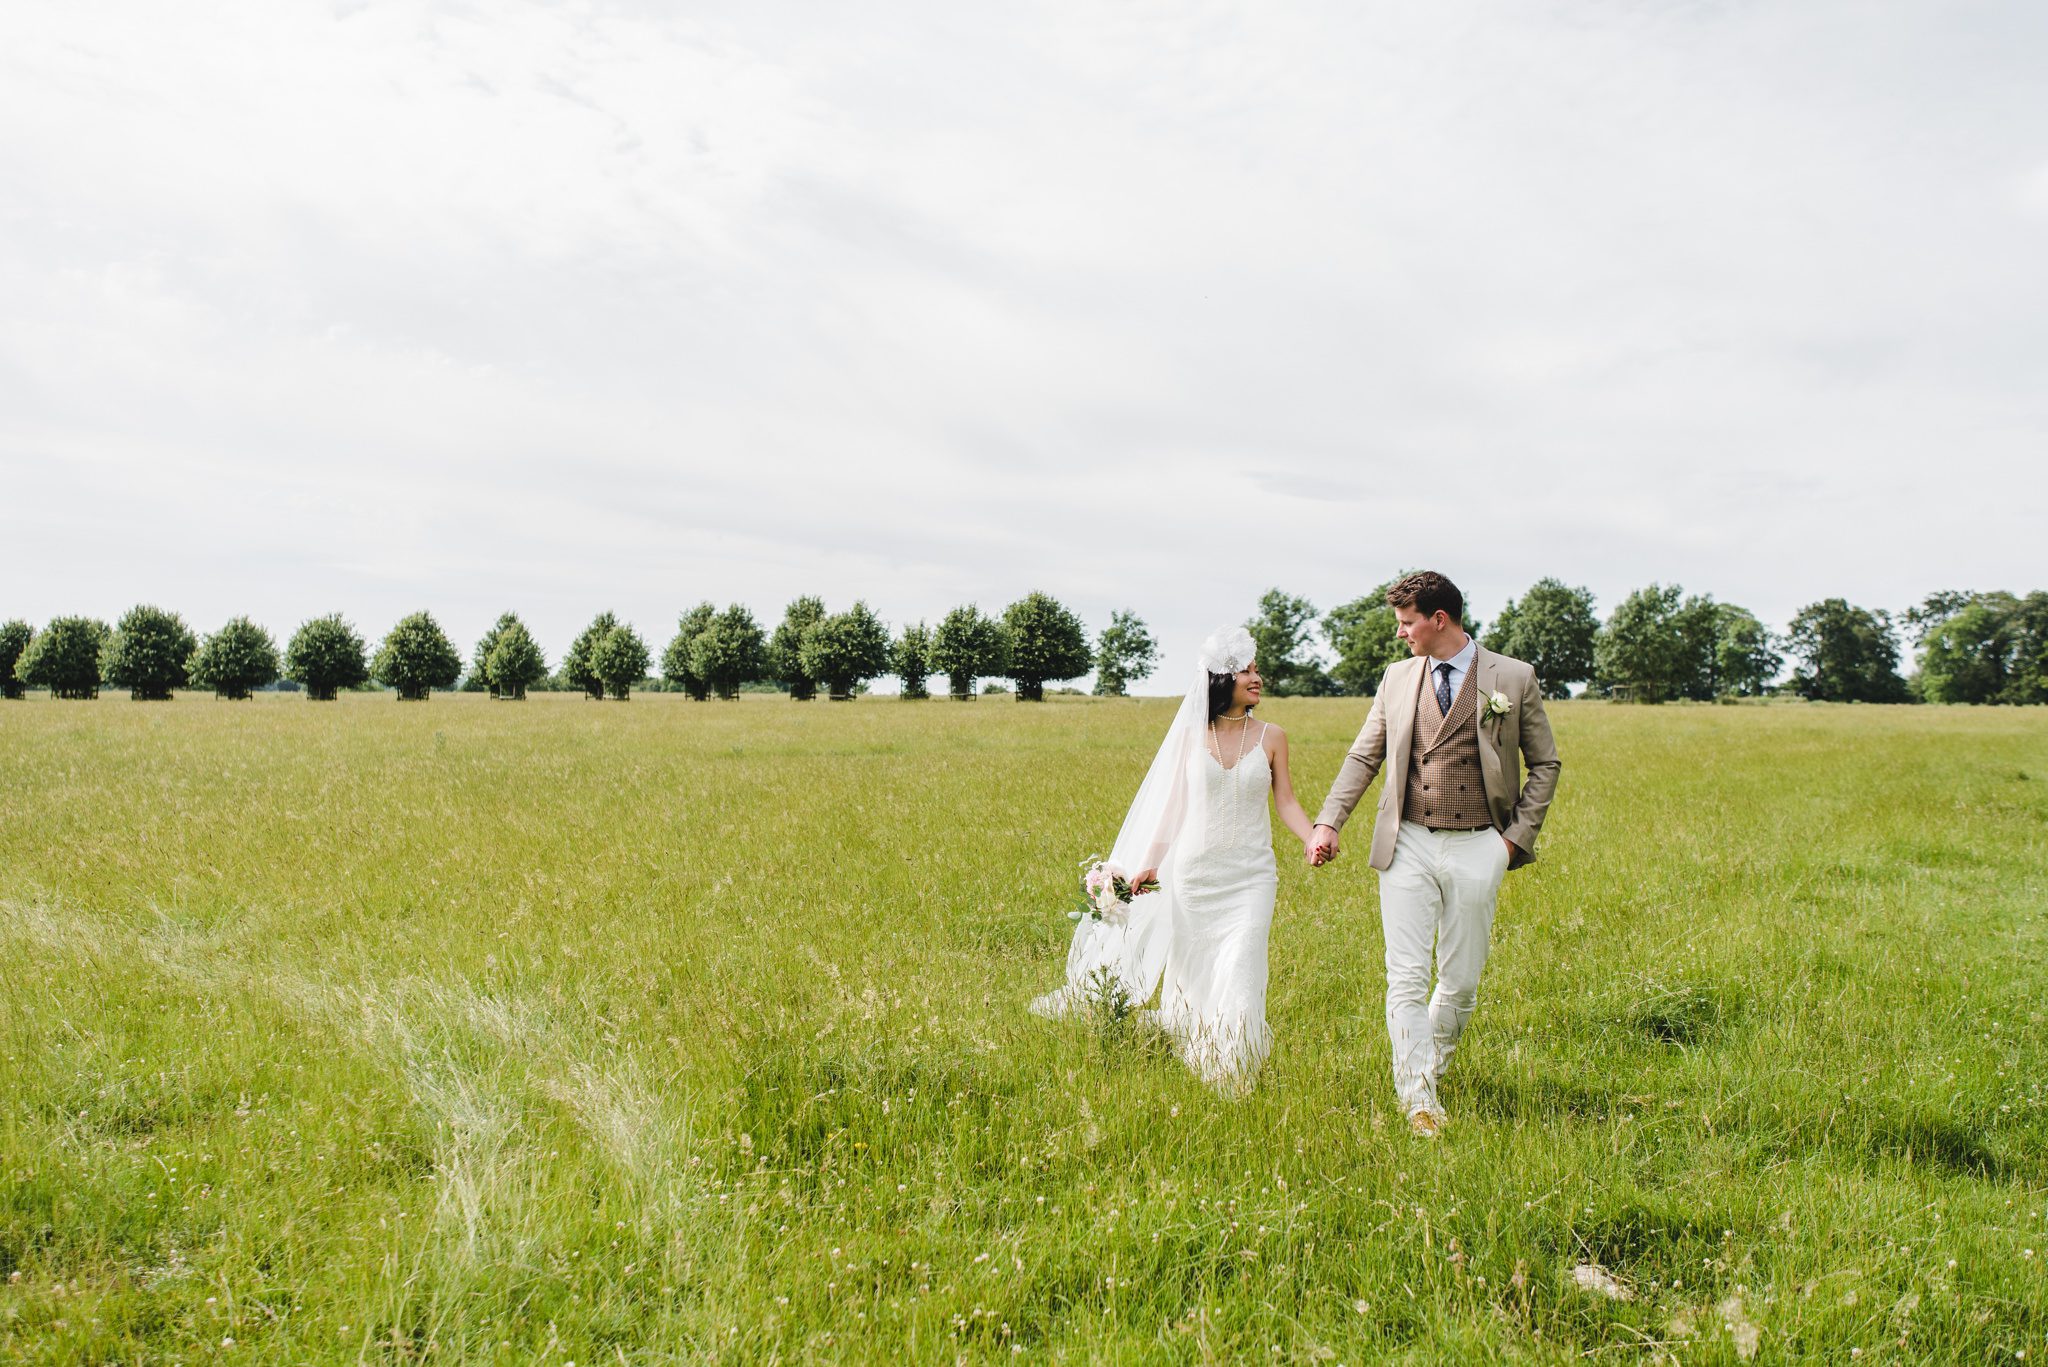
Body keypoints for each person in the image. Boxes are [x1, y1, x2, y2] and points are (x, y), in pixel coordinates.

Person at [1307, 571, 1561, 1137]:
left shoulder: (1513, 678)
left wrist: (1514, 840)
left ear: (1438, 620)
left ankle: (1433, 1067)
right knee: (1405, 975)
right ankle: (1418, 1097)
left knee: (1461, 979)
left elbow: (1545, 764)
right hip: (1409, 844)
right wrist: (1329, 821)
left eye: (1406, 623)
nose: (1401, 635)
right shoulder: (1397, 679)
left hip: (1479, 843)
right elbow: (1363, 757)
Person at [1030, 626, 1315, 1091]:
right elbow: (1173, 809)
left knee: (1242, 958)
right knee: (1195, 967)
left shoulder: (1273, 737)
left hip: (1251, 877)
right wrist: (1151, 863)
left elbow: (1285, 801)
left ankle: (1234, 1066)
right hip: (1195, 875)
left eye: (1256, 669)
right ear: (1222, 678)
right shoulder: (1191, 738)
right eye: (1246, 670)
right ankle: (1199, 1039)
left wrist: (1311, 837)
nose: (1257, 678)